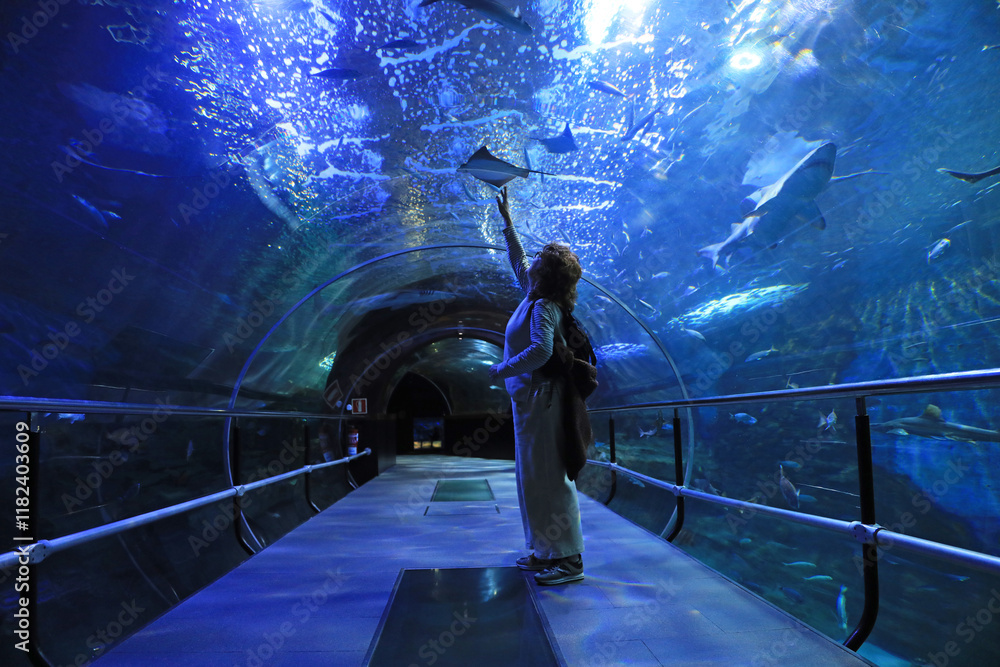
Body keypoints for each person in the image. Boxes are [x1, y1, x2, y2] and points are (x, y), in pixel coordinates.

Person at [488, 186, 585, 586]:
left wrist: (502, 369)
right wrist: (507, 221)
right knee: (531, 478)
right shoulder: (533, 293)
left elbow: (541, 352)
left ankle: (570, 559)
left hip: (544, 401)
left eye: (541, 262)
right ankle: (546, 551)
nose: (533, 264)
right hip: (529, 402)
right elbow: (518, 258)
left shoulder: (545, 306)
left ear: (547, 276)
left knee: (549, 478)